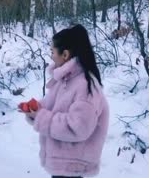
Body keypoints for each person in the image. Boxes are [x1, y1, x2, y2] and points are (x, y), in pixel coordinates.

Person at [23, 24, 109, 178]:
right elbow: (48, 106)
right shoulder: (66, 80)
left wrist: (41, 117)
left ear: (65, 55)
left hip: (73, 168)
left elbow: (79, 128)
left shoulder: (85, 85)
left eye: (52, 51)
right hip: (63, 167)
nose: (51, 56)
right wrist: (33, 110)